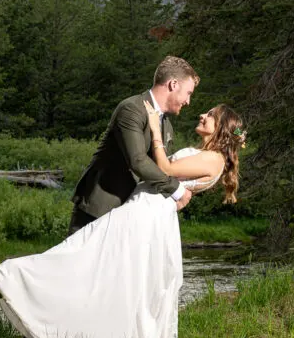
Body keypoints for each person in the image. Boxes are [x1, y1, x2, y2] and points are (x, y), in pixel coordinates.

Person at [0, 103, 247, 338]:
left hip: (145, 215)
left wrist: (155, 131)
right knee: (89, 260)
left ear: (220, 128)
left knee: (81, 253)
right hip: (144, 211)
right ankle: (10, 283)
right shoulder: (209, 156)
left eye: (210, 115)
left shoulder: (214, 158)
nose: (201, 114)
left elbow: (165, 170)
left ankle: (4, 277)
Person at [68, 57, 200, 236]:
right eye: (188, 93)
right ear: (173, 84)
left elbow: (160, 167)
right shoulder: (131, 109)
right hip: (99, 208)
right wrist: (176, 189)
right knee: (77, 263)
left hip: (130, 215)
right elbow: (137, 161)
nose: (188, 101)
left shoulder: (167, 125)